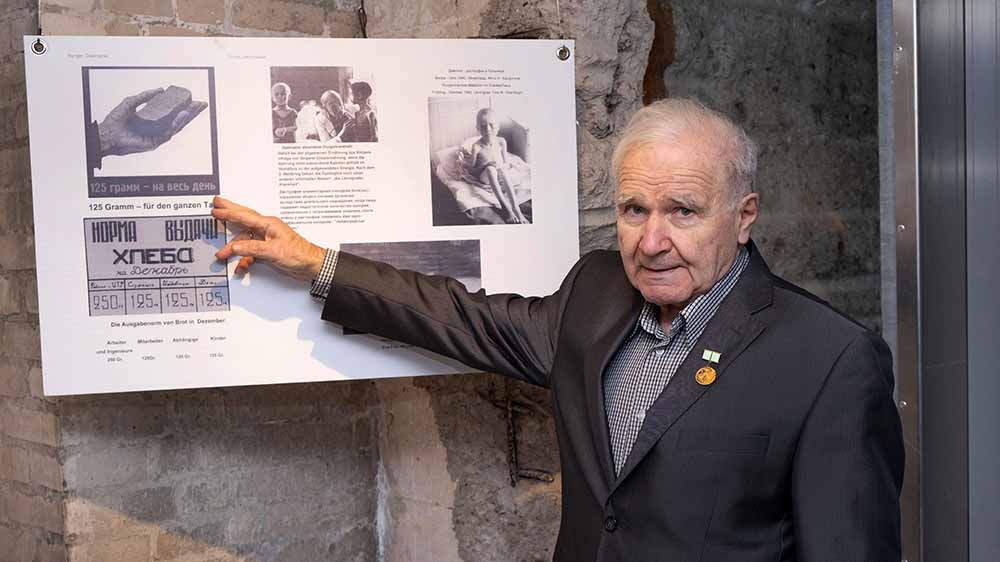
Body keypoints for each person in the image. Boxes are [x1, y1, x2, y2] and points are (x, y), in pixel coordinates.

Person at [211, 98, 903, 562]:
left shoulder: (830, 360)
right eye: (634, 210)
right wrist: (315, 264)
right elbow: (460, 316)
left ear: (744, 215)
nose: (652, 240)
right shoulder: (596, 292)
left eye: (683, 212)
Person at [86, 87, 206, 170]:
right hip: (141, 125)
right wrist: (106, 138)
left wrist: (103, 140)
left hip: (147, 126)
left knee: (181, 117)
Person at [464, 108, 529, 224]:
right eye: (483, 126)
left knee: (501, 170)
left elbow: (506, 162)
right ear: (478, 128)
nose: (488, 129)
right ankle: (506, 207)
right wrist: (486, 165)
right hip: (485, 176)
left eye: (491, 125)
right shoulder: (476, 147)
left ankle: (516, 208)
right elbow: (472, 171)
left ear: (497, 127)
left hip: (499, 175)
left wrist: (504, 166)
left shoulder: (501, 142)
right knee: (490, 169)